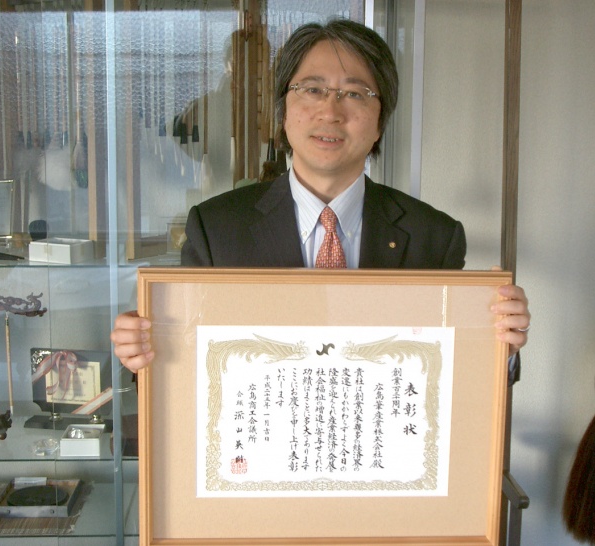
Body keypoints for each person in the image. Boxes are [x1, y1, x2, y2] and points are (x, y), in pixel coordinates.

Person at [112, 19, 530, 377]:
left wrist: (499, 348)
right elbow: (189, 369)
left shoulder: (434, 237)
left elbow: (451, 379)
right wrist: (146, 352)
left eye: (355, 94)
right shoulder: (217, 230)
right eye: (312, 89)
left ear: (380, 121)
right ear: (283, 111)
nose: (330, 112)